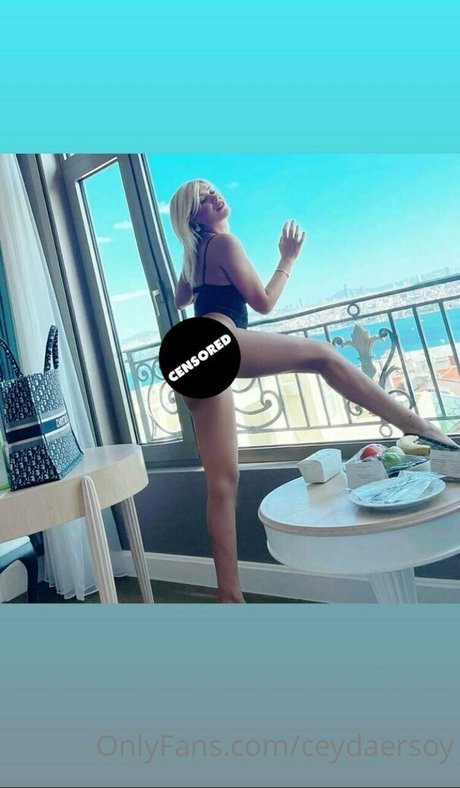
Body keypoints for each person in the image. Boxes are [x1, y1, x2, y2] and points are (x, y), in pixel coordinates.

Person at [169, 178, 458, 603]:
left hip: (186, 356)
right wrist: (287, 258)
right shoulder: (225, 244)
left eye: (212, 190)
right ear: (193, 216)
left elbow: (181, 299)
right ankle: (423, 428)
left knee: (222, 485)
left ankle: (230, 597)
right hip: (216, 343)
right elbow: (264, 302)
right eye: (202, 198)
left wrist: (192, 255)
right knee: (324, 355)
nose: (214, 196)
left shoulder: (194, 254)